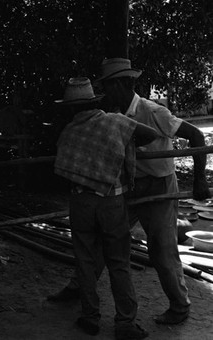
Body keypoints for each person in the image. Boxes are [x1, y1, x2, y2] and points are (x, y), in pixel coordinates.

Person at [48, 58, 211, 326]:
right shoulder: (112, 114)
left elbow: (196, 136)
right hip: (128, 186)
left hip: (158, 185)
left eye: (110, 86)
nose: (108, 92)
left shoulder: (153, 111)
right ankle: (77, 288)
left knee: (161, 248)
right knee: (102, 240)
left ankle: (179, 307)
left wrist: (199, 181)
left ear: (124, 84)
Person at [54, 77, 158, 339]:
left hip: (81, 202)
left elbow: (63, 170)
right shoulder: (115, 122)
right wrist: (124, 144)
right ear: (94, 101)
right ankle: (125, 323)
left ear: (69, 107)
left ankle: (90, 317)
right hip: (112, 200)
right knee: (119, 261)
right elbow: (151, 134)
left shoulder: (69, 132)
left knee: (85, 261)